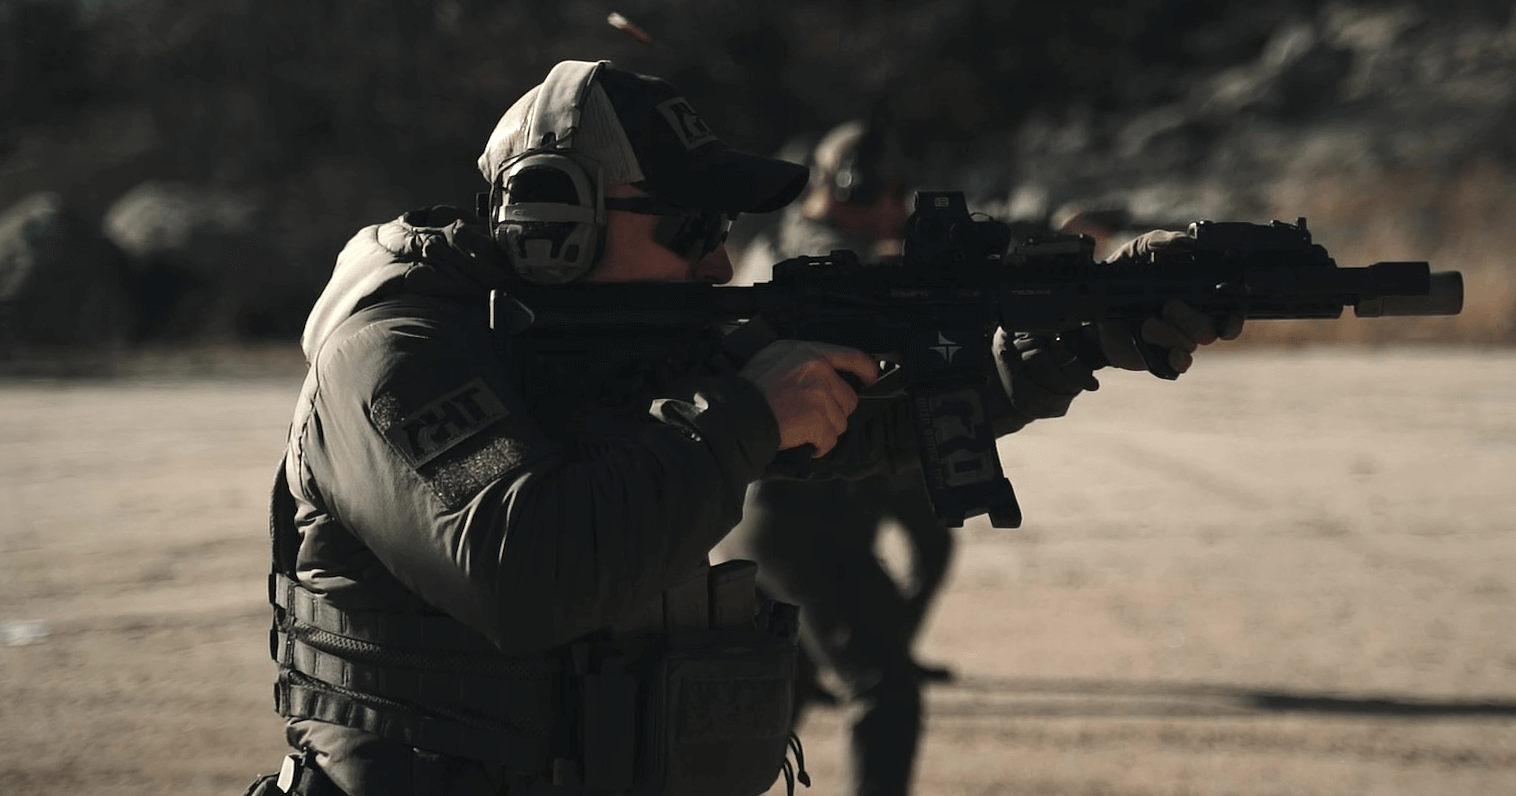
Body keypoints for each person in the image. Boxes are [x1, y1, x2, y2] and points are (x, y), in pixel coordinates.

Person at [252, 59, 1242, 796]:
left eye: (723, 232)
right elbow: (524, 569)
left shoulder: (620, 340)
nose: (720, 264)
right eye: (692, 230)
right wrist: (744, 414)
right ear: (555, 220)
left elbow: (861, 422)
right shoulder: (393, 353)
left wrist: (1078, 341)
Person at [719, 119, 958, 796]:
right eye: (896, 191)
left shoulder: (791, 247)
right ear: (859, 186)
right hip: (800, 510)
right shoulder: (837, 271)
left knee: (787, 690)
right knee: (886, 688)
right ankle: (869, 650)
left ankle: (856, 648)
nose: (902, 206)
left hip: (764, 504)